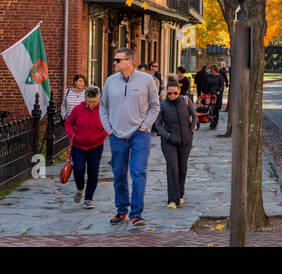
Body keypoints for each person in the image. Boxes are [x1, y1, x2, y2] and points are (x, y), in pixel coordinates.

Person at [100, 47, 161, 226]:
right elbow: (103, 107)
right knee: (119, 174)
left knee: (138, 172)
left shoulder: (147, 80)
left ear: (129, 61)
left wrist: (145, 126)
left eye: (118, 60)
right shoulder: (110, 81)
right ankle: (121, 211)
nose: (115, 62)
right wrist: (108, 129)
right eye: (115, 59)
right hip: (116, 135)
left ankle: (136, 214)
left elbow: (155, 106)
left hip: (139, 134)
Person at [153, 79, 198, 208]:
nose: (172, 96)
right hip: (169, 142)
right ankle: (172, 199)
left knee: (182, 168)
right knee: (173, 168)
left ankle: (181, 194)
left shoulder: (186, 101)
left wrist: (191, 131)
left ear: (179, 92)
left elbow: (194, 116)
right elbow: (157, 124)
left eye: (175, 93)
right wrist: (167, 135)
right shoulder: (162, 105)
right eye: (170, 93)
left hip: (185, 140)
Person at [63, 85, 109, 208]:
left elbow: (110, 124)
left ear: (99, 99)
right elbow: (68, 122)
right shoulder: (78, 109)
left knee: (93, 171)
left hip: (96, 146)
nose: (91, 104)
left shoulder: (103, 111)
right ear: (85, 98)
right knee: (78, 169)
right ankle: (80, 189)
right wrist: (71, 134)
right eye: (88, 101)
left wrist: (102, 136)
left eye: (94, 102)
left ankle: (88, 198)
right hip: (78, 146)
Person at [206, 65, 224, 129]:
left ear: (216, 70)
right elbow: (206, 84)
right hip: (210, 94)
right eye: (211, 69)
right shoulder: (209, 76)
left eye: (212, 70)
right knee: (210, 108)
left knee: (216, 109)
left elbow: (222, 85)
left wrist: (219, 91)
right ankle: (211, 122)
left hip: (217, 95)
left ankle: (215, 123)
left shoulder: (220, 76)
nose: (211, 71)